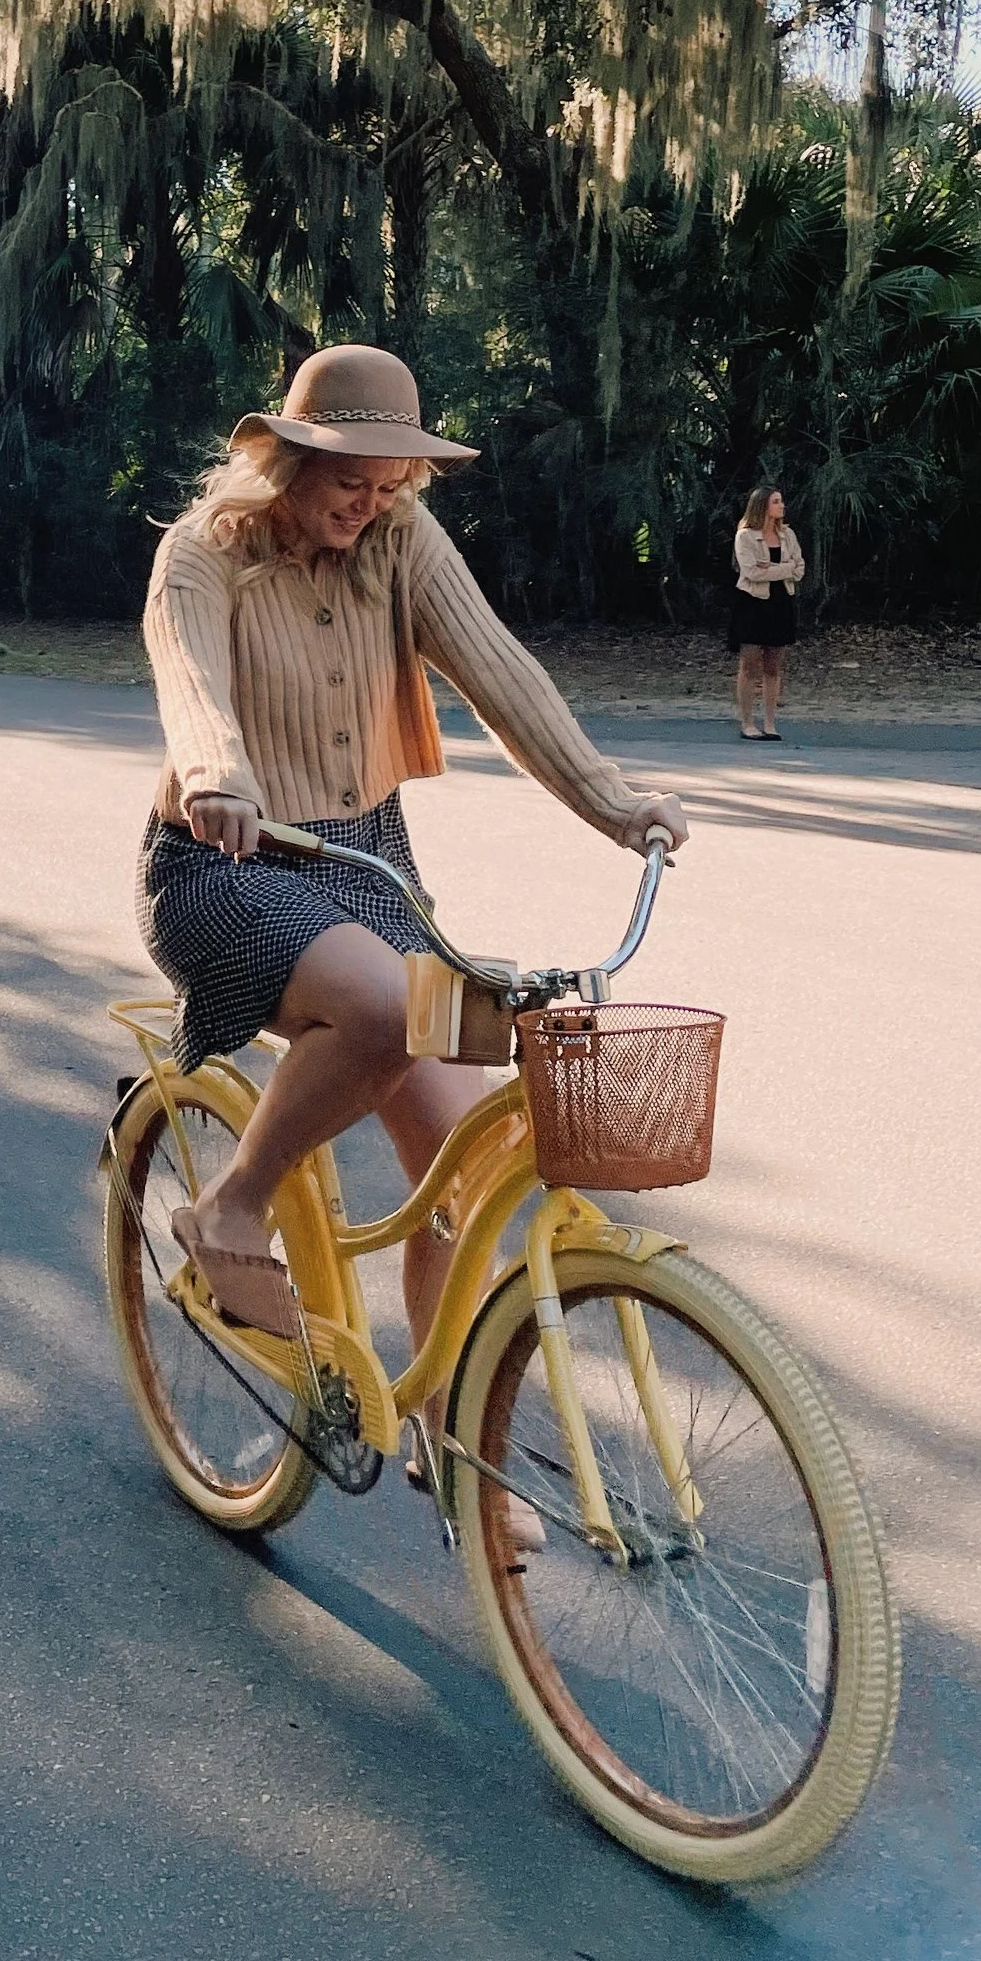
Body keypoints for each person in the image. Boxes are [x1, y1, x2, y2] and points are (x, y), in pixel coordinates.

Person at [138, 343, 687, 1407]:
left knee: (468, 1163)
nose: (371, 502)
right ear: (288, 463)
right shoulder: (203, 553)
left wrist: (615, 803)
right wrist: (217, 778)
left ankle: (448, 1432)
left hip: (370, 871)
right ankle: (235, 1204)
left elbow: (500, 673)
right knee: (389, 1012)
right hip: (227, 862)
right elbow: (190, 680)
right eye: (351, 480)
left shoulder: (400, 538)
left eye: (392, 483)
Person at [730, 486, 804, 740]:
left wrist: (773, 567)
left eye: (781, 501)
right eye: (776, 501)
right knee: (749, 665)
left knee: (774, 665)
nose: (781, 505)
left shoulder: (788, 535)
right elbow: (751, 572)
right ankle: (747, 723)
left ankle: (770, 722)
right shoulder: (745, 536)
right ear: (763, 505)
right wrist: (784, 567)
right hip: (752, 602)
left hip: (781, 601)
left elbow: (799, 569)